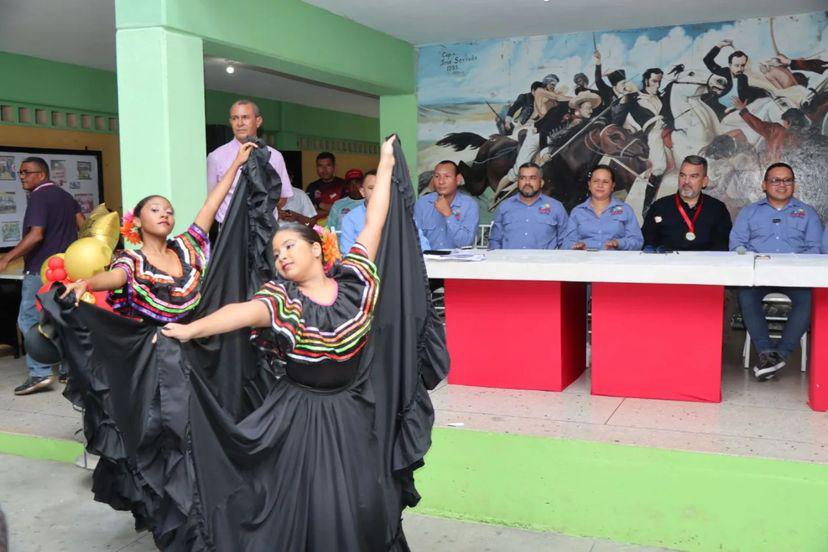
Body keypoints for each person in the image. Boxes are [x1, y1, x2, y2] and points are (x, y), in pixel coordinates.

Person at [157, 135, 446, 550]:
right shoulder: (281, 299)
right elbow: (239, 313)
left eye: (289, 246)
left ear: (316, 248)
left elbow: (375, 221)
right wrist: (190, 330)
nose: (282, 257)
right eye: (276, 255)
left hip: (352, 408)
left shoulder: (355, 281)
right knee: (304, 497)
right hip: (299, 413)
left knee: (362, 494)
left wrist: (385, 163)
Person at [62, 142, 258, 322]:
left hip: (200, 341)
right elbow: (116, 277)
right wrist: (86, 284)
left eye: (169, 212)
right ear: (137, 221)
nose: (164, 214)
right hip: (159, 345)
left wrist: (236, 164)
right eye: (155, 210)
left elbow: (211, 206)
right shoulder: (133, 260)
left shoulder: (186, 247)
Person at [730, 163, 822, 381]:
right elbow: (737, 245)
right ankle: (766, 351)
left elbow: (815, 249)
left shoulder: (808, 214)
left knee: (808, 299)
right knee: (746, 295)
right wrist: (752, 258)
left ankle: (779, 354)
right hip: (759, 276)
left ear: (794, 184)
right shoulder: (749, 212)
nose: (782, 184)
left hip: (796, 277)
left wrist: (794, 264)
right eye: (775, 180)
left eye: (787, 180)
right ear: (764, 184)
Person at [0, 157, 83, 395]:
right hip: (64, 270)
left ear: (42, 175)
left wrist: (7, 258)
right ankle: (68, 371)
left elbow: (36, 235)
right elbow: (84, 225)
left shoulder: (38, 196)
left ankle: (40, 373)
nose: (22, 177)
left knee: (28, 320)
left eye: (27, 172)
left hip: (40, 270)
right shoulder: (65, 196)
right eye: (20, 172)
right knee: (59, 319)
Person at [206, 100, 293, 227]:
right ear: (231, 122)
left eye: (245, 117)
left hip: (265, 228)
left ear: (258, 121)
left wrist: (261, 206)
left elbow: (283, 197)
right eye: (235, 118)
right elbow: (211, 200)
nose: (240, 123)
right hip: (230, 228)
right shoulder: (216, 157)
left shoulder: (274, 156)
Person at [642, 155, 732, 251]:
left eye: (693, 176)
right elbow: (646, 243)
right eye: (682, 175)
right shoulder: (659, 207)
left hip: (705, 260)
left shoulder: (718, 209)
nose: (686, 181)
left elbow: (723, 248)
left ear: (704, 181)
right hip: (668, 260)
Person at [339, 170, 431, 252]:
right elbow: (347, 253)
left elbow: (422, 247)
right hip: (366, 265)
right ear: (362, 192)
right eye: (371, 188)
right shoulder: (351, 219)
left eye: (381, 187)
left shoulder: (403, 216)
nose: (377, 192)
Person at [561, 165, 643, 250]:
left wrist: (619, 243)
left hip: (615, 258)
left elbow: (637, 241)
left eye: (605, 182)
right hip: (585, 258)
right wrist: (575, 246)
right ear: (589, 185)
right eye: (596, 181)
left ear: (612, 186)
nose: (600, 185)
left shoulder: (625, 210)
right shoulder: (577, 212)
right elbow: (567, 243)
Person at [488, 162, 567, 249]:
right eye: (522, 178)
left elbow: (565, 242)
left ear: (541, 182)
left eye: (532, 178)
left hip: (543, 258)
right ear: (518, 182)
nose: (527, 182)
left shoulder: (556, 207)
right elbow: (495, 241)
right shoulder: (505, 206)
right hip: (510, 258)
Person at [414, 160, 479, 249]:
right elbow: (415, 239)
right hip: (428, 257)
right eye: (437, 176)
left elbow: (465, 243)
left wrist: (448, 214)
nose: (441, 181)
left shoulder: (469, 205)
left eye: (447, 176)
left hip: (458, 258)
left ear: (458, 179)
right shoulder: (422, 203)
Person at [702, 41, 769, 120]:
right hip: (714, 110)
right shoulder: (723, 73)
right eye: (737, 65)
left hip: (733, 112)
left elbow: (746, 94)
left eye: (742, 65)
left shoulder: (743, 78)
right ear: (730, 65)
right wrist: (720, 45)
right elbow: (707, 60)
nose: (740, 69)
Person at [305, 151, 347, 219]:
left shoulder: (344, 185)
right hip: (317, 225)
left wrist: (319, 205)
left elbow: (345, 210)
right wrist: (331, 210)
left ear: (334, 167)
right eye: (320, 166)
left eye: (328, 165)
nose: (324, 169)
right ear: (317, 168)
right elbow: (308, 212)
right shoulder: (312, 187)